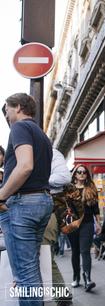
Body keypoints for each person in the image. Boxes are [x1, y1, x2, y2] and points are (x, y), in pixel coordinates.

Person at [0, 93, 53, 306]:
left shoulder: (20, 128)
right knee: (30, 271)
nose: (5, 113)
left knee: (24, 276)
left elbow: (25, 166)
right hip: (41, 201)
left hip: (23, 204)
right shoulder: (41, 134)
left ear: (19, 107)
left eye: (7, 109)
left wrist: (1, 195)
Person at [41, 148, 72, 306]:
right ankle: (61, 296)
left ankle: (62, 296)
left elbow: (64, 177)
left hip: (48, 210)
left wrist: (37, 180)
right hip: (39, 212)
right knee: (44, 258)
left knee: (45, 256)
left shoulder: (50, 152)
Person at [66, 164, 101, 292]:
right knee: (75, 252)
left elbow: (95, 208)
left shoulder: (91, 188)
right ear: (74, 174)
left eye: (84, 172)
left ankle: (87, 279)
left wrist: (98, 223)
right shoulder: (68, 189)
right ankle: (76, 277)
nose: (82, 174)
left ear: (87, 174)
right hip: (73, 224)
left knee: (85, 251)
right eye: (79, 172)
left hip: (87, 224)